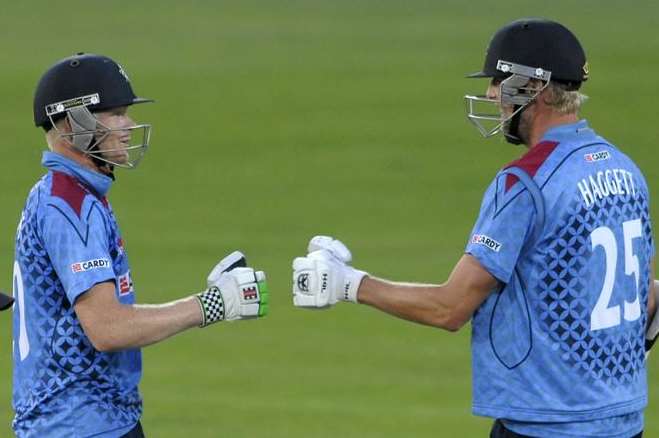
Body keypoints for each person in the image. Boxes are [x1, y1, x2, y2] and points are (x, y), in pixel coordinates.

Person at [292, 18, 658, 438]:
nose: (491, 94)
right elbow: (645, 299)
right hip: (624, 423)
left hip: (546, 426)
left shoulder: (526, 181)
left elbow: (450, 308)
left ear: (533, 89)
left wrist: (347, 283)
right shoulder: (624, 169)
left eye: (500, 81)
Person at [12, 53, 269, 437]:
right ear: (74, 123)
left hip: (90, 421)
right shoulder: (69, 206)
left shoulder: (65, 193)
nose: (128, 126)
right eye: (115, 113)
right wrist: (212, 305)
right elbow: (107, 328)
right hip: (78, 424)